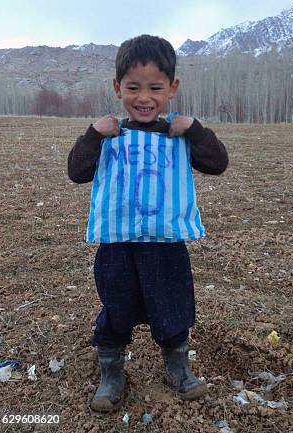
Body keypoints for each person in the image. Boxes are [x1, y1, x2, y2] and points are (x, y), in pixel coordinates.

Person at [67, 34, 228, 412]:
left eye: (155, 88)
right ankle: (111, 373)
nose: (144, 97)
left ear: (172, 88)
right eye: (133, 87)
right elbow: (76, 172)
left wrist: (196, 129)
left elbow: (218, 163)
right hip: (117, 245)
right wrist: (92, 135)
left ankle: (178, 369)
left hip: (166, 245)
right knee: (116, 308)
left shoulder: (180, 133)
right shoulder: (108, 134)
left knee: (173, 308)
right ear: (117, 88)